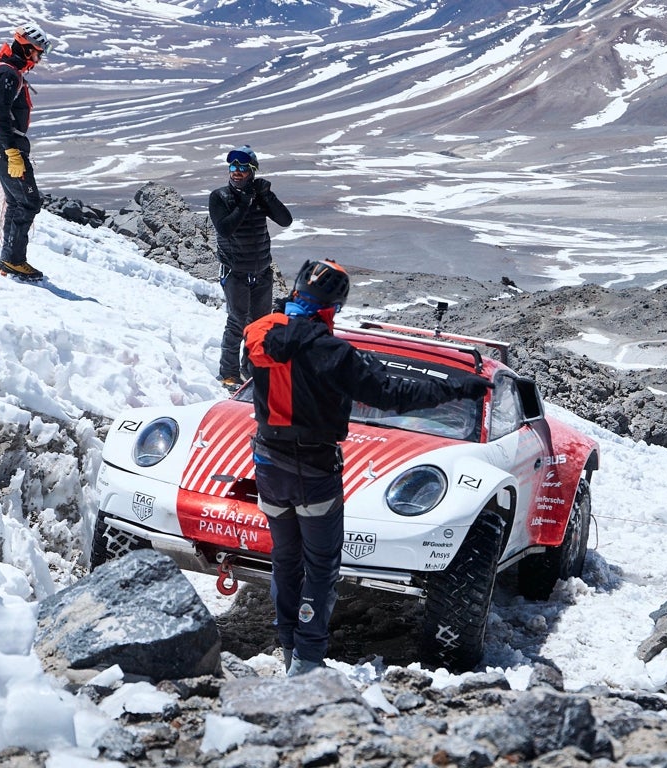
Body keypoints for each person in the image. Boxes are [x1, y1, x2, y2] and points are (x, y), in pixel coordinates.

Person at [243, 259, 493, 676]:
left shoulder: (259, 332)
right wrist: (455, 387)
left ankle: (287, 644)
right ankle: (306, 662)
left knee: (285, 558)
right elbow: (391, 393)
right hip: (314, 468)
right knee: (320, 566)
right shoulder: (333, 352)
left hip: (268, 461)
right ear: (333, 305)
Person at [209, 145, 293, 390]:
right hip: (235, 272)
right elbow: (224, 228)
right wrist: (244, 203)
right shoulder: (220, 197)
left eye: (243, 167)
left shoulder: (259, 196)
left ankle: (252, 370)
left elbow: (285, 220)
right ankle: (228, 374)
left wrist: (267, 196)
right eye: (233, 167)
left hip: (261, 272)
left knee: (260, 325)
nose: (236, 172)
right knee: (237, 322)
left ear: (252, 170)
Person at [0, 22, 53, 282]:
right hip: (5, 148)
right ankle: (14, 261)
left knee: (17, 201)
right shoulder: (8, 74)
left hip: (0, 147)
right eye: (37, 52)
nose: (38, 58)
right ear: (26, 49)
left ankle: (9, 259)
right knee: (29, 201)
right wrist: (12, 152)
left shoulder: (9, 72)